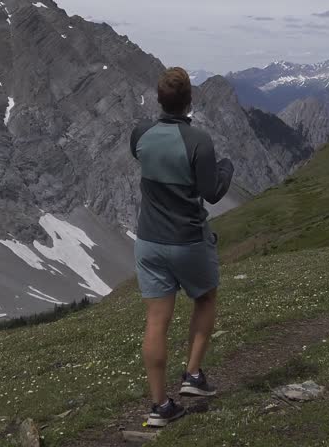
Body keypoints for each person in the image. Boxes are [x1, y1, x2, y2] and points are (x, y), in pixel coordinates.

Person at [129, 66, 234, 427]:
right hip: (187, 239)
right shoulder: (198, 141)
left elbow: (143, 157)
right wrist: (226, 167)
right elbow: (212, 192)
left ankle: (160, 407)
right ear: (189, 100)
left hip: (148, 241)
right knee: (205, 298)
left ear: (159, 99)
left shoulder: (140, 134)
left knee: (157, 320)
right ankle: (192, 375)